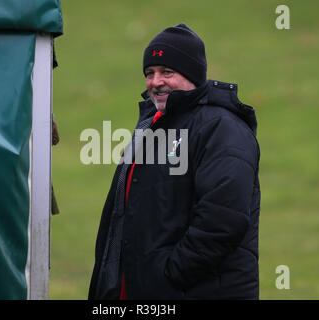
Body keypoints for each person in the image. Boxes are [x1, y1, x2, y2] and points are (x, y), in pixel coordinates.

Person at [88, 23, 261, 299]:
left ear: (192, 75)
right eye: (150, 73)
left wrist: (168, 276)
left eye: (167, 72)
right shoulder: (152, 126)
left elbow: (222, 220)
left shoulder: (221, 129)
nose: (156, 82)